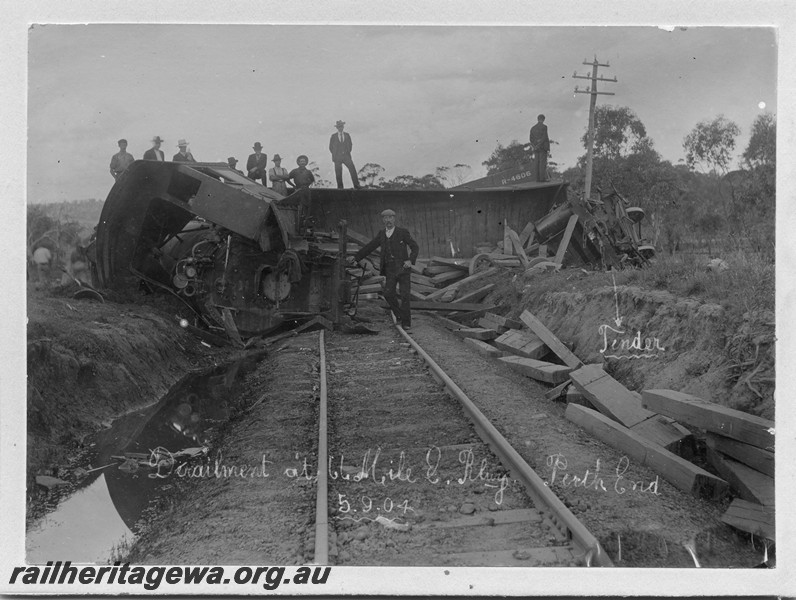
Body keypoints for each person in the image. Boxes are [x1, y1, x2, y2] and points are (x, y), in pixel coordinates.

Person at [352, 209, 419, 330]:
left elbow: (415, 247)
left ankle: (406, 322)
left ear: (394, 219)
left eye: (390, 218)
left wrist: (410, 260)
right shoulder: (382, 234)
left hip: (403, 269)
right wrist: (356, 258)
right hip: (390, 270)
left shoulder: (402, 232)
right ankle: (399, 315)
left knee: (405, 296)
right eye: (385, 218)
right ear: (383, 220)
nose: (388, 220)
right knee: (388, 294)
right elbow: (370, 246)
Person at [328, 120, 361, 189]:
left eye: (341, 126)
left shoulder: (347, 135)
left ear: (343, 127)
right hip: (337, 157)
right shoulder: (333, 136)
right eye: (339, 127)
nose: (340, 128)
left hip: (346, 156)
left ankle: (356, 185)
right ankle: (340, 187)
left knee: (352, 169)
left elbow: (350, 145)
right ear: (337, 128)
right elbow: (330, 147)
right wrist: (336, 154)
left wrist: (347, 152)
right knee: (338, 173)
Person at [529, 114, 550, 182]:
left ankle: (537, 179)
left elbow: (531, 139)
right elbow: (544, 137)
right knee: (542, 163)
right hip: (542, 147)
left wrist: (535, 146)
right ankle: (542, 179)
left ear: (537, 119)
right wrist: (539, 144)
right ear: (543, 119)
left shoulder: (532, 128)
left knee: (536, 163)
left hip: (536, 148)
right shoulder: (544, 127)